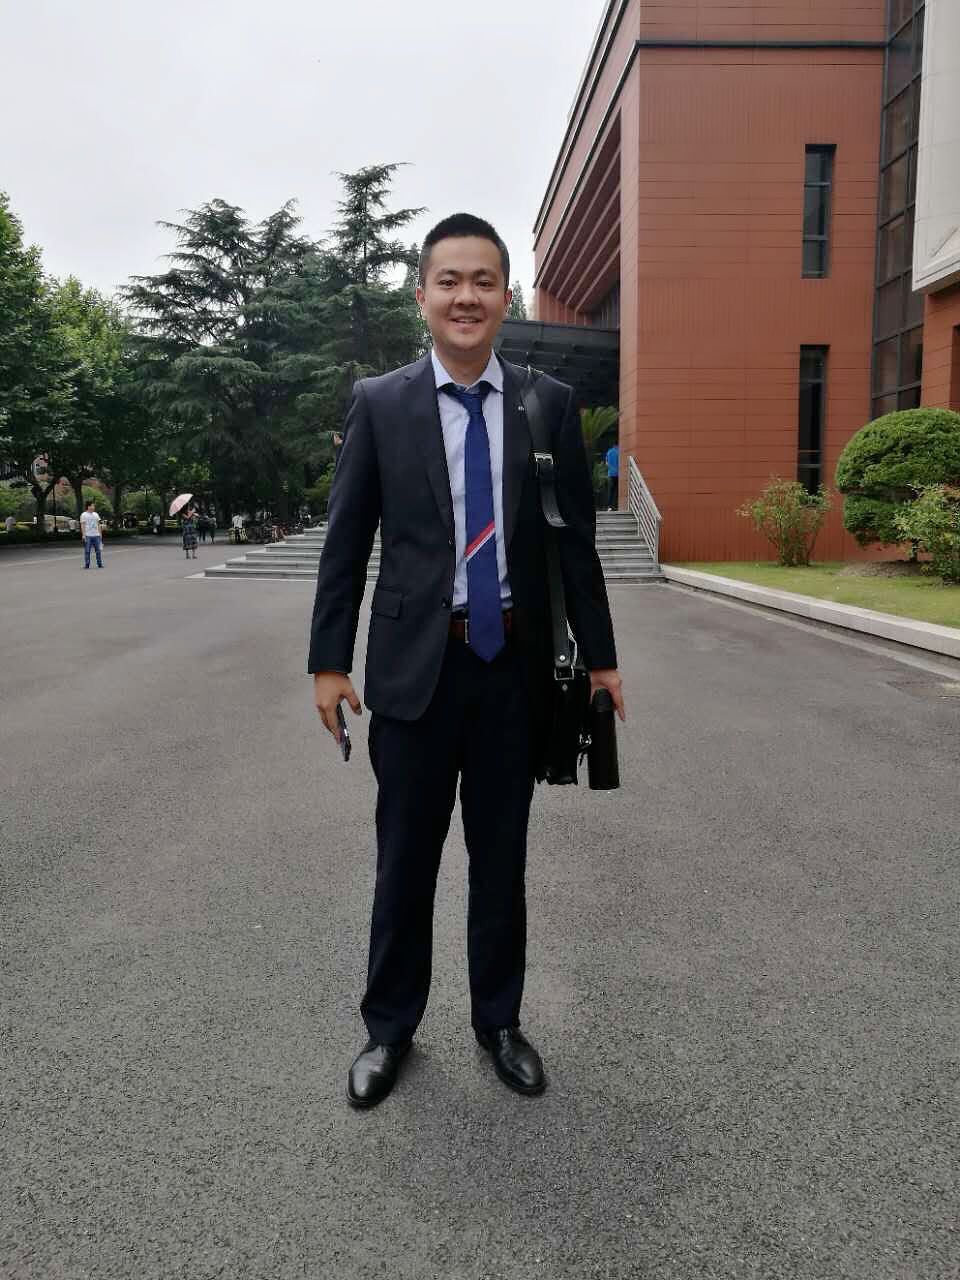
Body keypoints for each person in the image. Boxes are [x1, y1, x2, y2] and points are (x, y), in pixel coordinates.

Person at [308, 213, 624, 1110]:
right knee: (405, 861)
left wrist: (602, 661)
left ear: (507, 296)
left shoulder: (547, 402)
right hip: (414, 671)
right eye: (449, 281)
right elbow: (346, 541)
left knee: (501, 858)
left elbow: (574, 546)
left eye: (484, 281)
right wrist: (328, 661)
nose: (466, 297)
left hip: (509, 672)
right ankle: (388, 1029)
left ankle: (499, 1022)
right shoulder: (381, 402)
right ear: (423, 295)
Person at [79, 499, 104, 569]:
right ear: (88, 506)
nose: (93, 507)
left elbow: (98, 524)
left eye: (94, 506)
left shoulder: (96, 514)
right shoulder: (83, 515)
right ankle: (87, 564)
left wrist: (100, 534)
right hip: (88, 535)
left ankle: (99, 564)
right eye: (92, 506)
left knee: (98, 551)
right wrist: (83, 535)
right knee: (87, 551)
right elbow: (82, 525)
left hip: (96, 535)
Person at [605, 442, 620, 511]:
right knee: (617, 491)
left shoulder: (609, 452)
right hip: (618, 473)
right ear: (617, 445)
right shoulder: (619, 451)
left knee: (610, 490)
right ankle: (615, 506)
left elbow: (606, 463)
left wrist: (611, 468)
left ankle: (609, 506)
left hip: (610, 473)